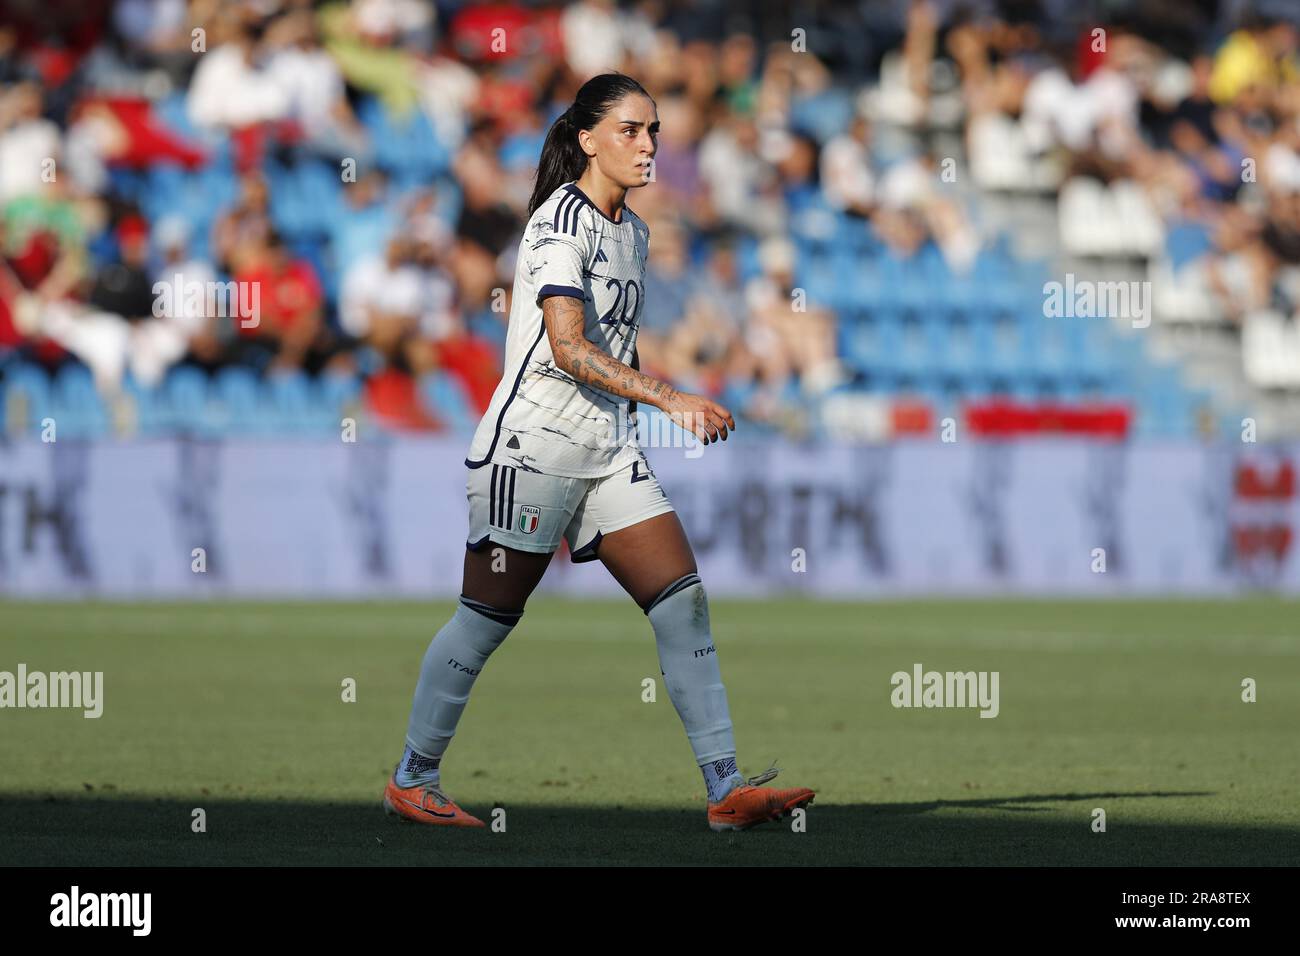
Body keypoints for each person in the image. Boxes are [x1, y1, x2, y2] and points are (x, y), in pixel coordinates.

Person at [383, 72, 815, 832]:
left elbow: (618, 345)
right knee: (487, 616)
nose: (648, 145)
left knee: (681, 598)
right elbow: (569, 347)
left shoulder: (636, 234)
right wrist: (672, 397)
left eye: (653, 131)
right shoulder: (558, 221)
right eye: (630, 131)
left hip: (608, 449)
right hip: (533, 445)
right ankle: (413, 778)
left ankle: (725, 789)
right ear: (587, 140)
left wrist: (648, 398)